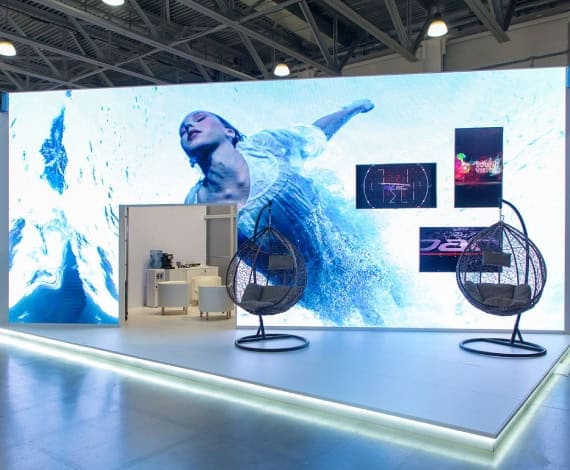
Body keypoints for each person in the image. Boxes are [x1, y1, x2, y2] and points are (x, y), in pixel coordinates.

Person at [179, 100, 397, 325]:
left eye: (199, 118)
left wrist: (351, 109)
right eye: (182, 130)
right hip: (303, 286)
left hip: (345, 248)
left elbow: (315, 134)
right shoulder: (196, 204)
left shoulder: (262, 148)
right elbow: (211, 266)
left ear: (229, 131)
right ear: (189, 156)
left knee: (385, 303)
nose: (189, 126)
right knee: (352, 322)